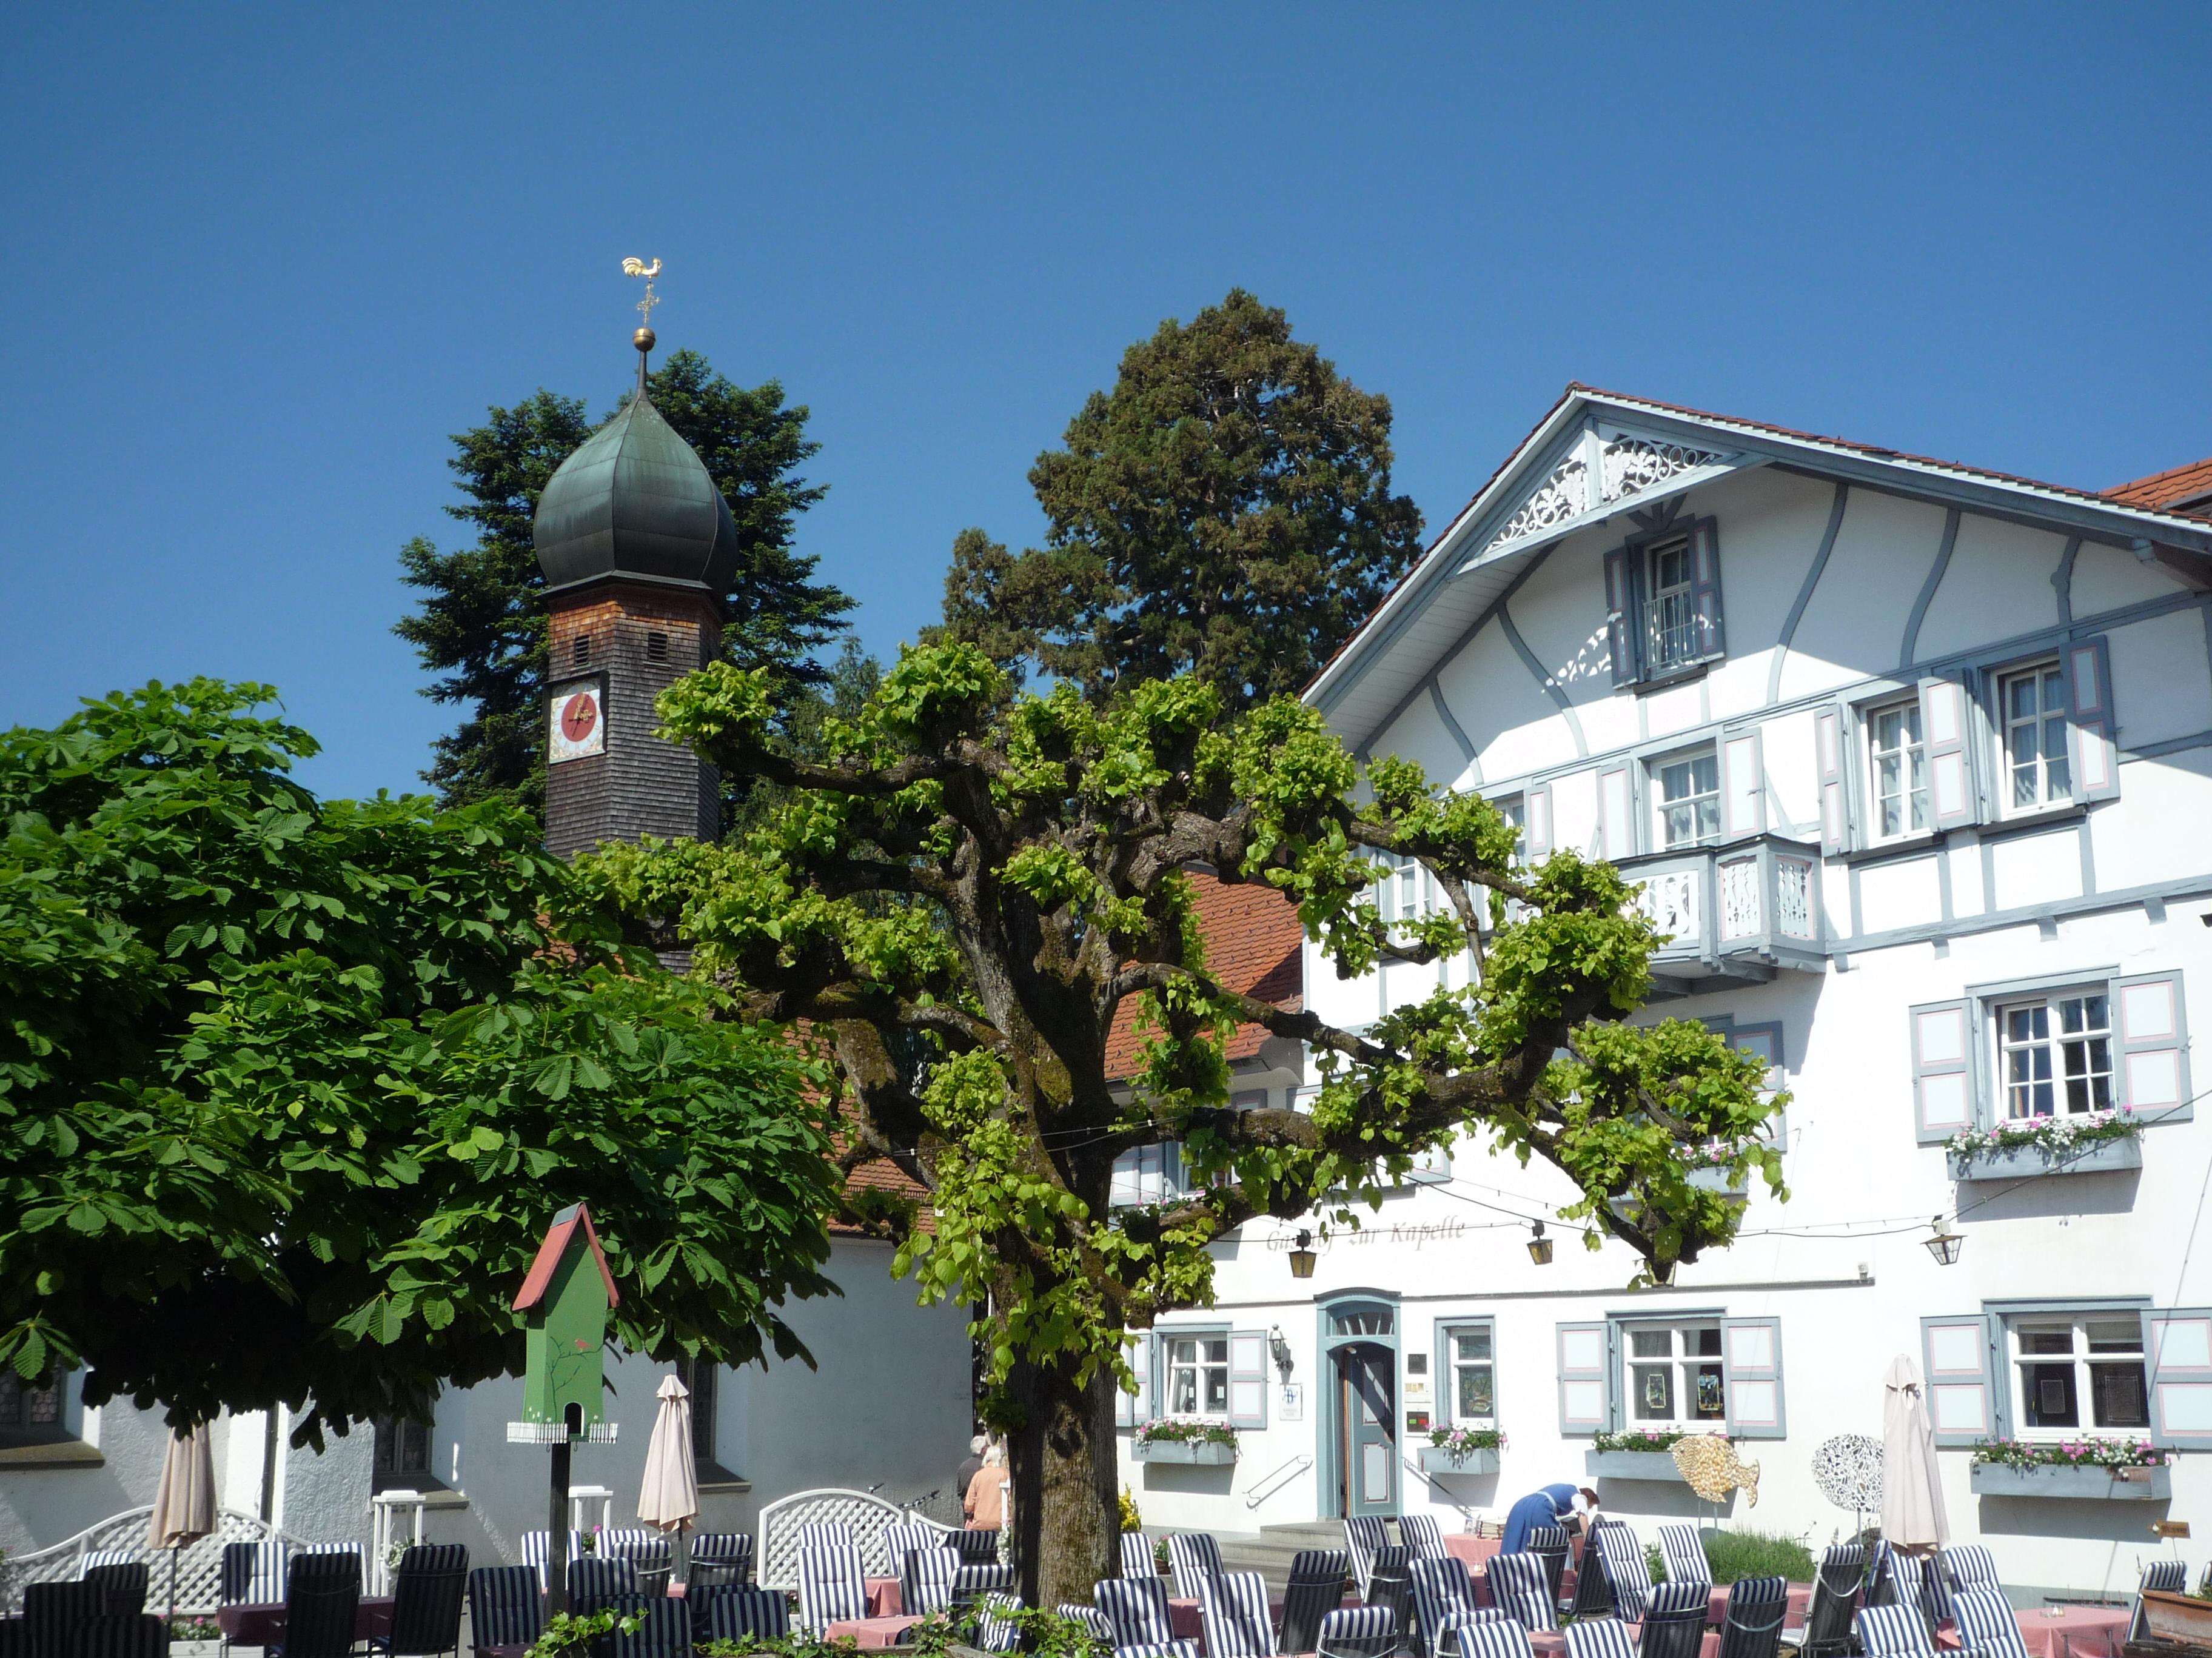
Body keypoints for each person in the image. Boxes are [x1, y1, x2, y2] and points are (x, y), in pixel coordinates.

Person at [1500, 1483, 1598, 1553]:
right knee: (1558, 1543)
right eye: (1590, 1506)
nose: (1589, 1508)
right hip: (1540, 1509)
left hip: (1522, 1505)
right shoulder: (1580, 1497)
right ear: (1588, 1498)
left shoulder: (1567, 1489)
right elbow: (1584, 1524)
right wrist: (1589, 1544)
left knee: (1516, 1539)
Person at [964, 1442, 1007, 1530]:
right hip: (1001, 1523)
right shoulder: (1005, 1474)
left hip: (980, 1523)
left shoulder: (978, 1476)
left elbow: (968, 1505)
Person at [956, 1432, 987, 1505]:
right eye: (988, 1446)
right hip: (980, 1506)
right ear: (983, 1450)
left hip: (966, 1505)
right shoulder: (984, 1466)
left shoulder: (963, 1466)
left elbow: (959, 1490)